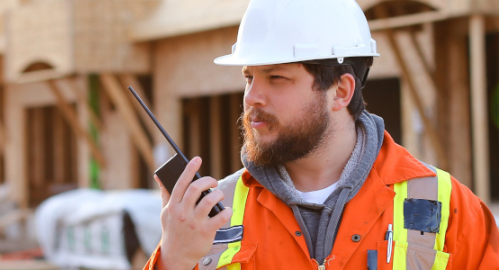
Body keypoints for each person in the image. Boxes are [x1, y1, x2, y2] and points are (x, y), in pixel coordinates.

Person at [144, 0, 499, 269]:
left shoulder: (448, 208)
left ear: (341, 92)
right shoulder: (210, 216)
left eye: (276, 77)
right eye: (249, 77)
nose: (251, 97)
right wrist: (173, 260)